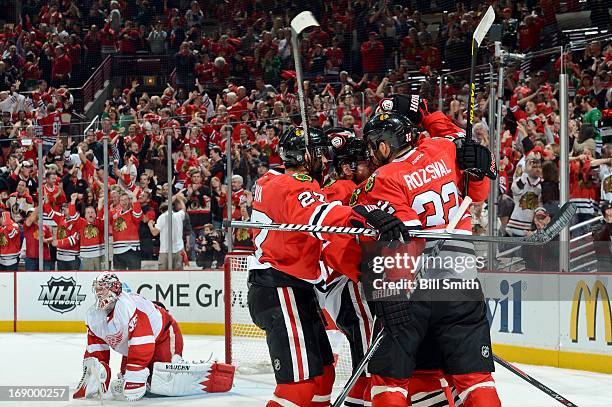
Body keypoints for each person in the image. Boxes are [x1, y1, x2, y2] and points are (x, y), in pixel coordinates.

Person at [247, 126, 408, 407]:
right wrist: (365, 212)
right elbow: (321, 215)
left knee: (322, 377)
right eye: (321, 155)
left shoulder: (272, 181)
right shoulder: (289, 185)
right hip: (280, 287)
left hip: (293, 287)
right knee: (298, 388)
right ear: (307, 155)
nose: (325, 162)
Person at [355, 105, 500, 406]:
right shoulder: (443, 148)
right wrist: (480, 166)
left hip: (415, 291)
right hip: (462, 285)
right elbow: (479, 191)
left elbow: (406, 240)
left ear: (385, 145)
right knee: (476, 380)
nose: (370, 154)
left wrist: (392, 291)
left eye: (372, 146)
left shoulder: (384, 177)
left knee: (389, 382)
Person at [73, 272, 235, 401]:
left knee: (167, 378)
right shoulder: (95, 316)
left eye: (103, 289)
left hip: (163, 336)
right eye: (97, 289)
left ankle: (214, 374)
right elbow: (96, 347)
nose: (99, 293)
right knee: (126, 381)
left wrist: (136, 373)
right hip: (134, 347)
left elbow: (141, 341)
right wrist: (97, 371)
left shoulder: (129, 307)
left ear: (115, 289)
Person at [147, 193, 186, 270]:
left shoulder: (162, 217)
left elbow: (154, 233)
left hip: (165, 250)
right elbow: (183, 209)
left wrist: (150, 225)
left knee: (164, 276)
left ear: (161, 210)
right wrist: (180, 199)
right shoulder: (178, 215)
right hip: (179, 249)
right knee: (179, 275)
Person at [111, 190, 143, 270]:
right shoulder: (115, 214)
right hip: (117, 251)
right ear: (119, 202)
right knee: (119, 278)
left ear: (129, 200)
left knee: (134, 276)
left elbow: (138, 215)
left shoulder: (133, 212)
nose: (124, 202)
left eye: (126, 199)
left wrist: (134, 198)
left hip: (131, 249)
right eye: (122, 200)